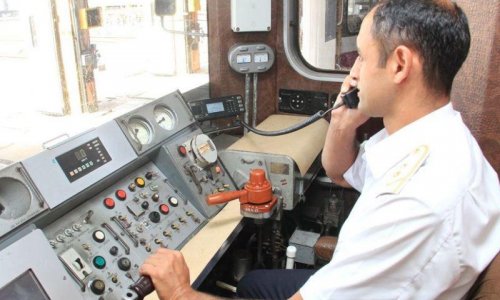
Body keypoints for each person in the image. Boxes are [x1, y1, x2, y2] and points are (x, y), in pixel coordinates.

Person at [139, 0, 500, 299]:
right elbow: (342, 173)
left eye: (359, 56)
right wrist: (342, 120)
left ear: (399, 64)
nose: (353, 72)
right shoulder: (427, 137)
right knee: (254, 283)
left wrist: (182, 293)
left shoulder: (415, 204)